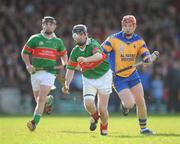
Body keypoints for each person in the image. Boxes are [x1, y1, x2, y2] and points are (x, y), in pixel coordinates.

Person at [101, 15, 155, 135]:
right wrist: (106, 68)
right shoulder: (113, 39)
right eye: (125, 25)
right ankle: (125, 106)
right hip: (117, 77)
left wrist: (147, 60)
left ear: (135, 26)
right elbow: (101, 53)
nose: (128, 28)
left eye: (130, 26)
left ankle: (144, 128)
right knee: (130, 104)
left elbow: (146, 55)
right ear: (122, 26)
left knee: (140, 100)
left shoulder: (139, 40)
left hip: (132, 74)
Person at [62, 24, 112, 136]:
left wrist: (85, 60)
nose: (79, 37)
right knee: (88, 103)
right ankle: (94, 117)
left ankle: (104, 128)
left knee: (102, 110)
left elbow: (99, 56)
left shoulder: (93, 44)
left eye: (81, 34)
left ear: (86, 35)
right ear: (73, 37)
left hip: (104, 76)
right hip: (89, 78)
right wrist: (66, 84)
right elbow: (70, 69)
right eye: (76, 35)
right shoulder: (75, 52)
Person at [21, 16, 68, 131]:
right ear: (43, 25)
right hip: (35, 72)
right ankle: (49, 99)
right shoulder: (35, 38)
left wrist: (64, 63)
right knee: (39, 99)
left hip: (49, 73)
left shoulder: (58, 41)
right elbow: (24, 52)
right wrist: (28, 65)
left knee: (40, 99)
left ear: (55, 26)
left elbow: (64, 55)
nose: (49, 25)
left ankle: (34, 123)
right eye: (46, 23)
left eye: (51, 24)